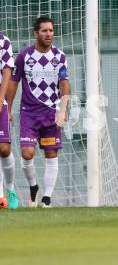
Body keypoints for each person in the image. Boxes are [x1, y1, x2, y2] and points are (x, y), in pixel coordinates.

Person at [7, 17, 70, 208]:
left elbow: (65, 85)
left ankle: (47, 199)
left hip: (51, 113)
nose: (48, 34)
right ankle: (33, 186)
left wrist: (63, 110)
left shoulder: (60, 56)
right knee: (27, 153)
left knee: (51, 154)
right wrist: (7, 110)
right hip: (29, 113)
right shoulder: (24, 56)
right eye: (44, 31)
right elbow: (13, 83)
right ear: (36, 33)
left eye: (51, 30)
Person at [0, 33, 19, 210]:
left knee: (3, 148)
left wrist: (1, 99)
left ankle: (11, 189)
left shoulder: (3, 41)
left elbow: (7, 71)